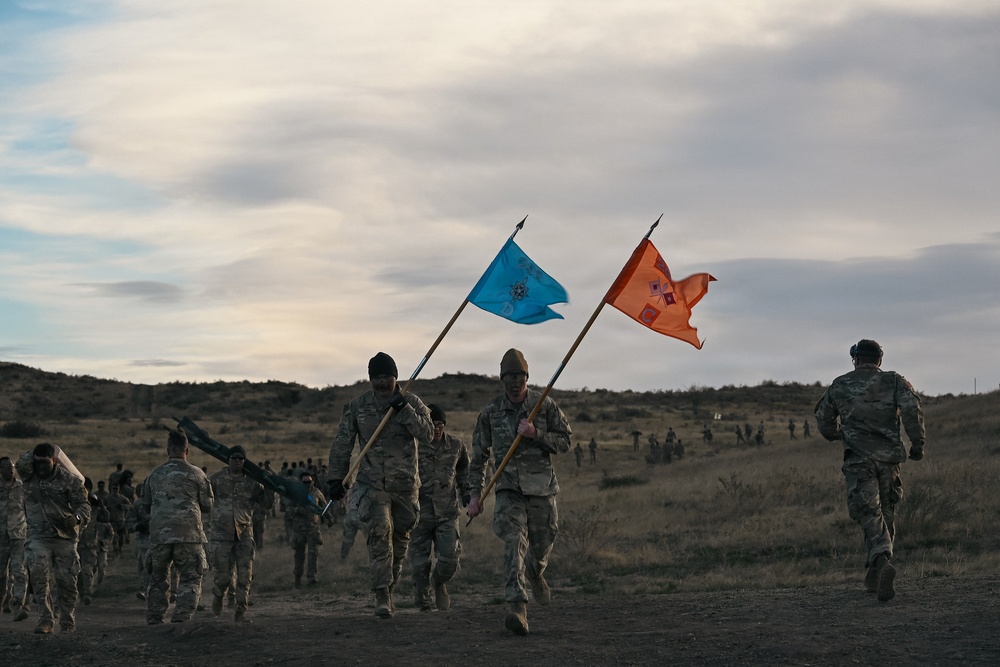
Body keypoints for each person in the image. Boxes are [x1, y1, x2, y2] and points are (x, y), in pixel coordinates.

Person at [466, 348, 572, 636]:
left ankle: (536, 573)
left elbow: (565, 442)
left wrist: (536, 435)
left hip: (541, 489)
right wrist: (474, 496)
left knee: (542, 542)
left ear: (527, 377)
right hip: (508, 489)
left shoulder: (544, 406)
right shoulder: (490, 414)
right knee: (514, 542)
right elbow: (478, 458)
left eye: (520, 376)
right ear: (502, 379)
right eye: (510, 376)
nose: (515, 381)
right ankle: (517, 608)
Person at [815, 339, 925, 602]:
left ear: (856, 359)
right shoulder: (894, 381)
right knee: (886, 511)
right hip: (889, 459)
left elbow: (823, 418)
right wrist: (917, 442)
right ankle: (877, 573)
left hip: (859, 459)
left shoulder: (841, 384)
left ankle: (880, 558)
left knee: (868, 511)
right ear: (879, 360)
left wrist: (838, 434)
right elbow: (911, 407)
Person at [327, 352, 435, 618]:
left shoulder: (411, 401)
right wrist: (335, 478)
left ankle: (389, 586)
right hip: (371, 484)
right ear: (370, 379)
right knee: (380, 536)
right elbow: (342, 445)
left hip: (405, 486)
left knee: (399, 543)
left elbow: (429, 434)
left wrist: (404, 410)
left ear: (396, 377)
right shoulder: (358, 407)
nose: (382, 383)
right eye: (376, 378)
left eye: (386, 377)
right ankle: (381, 595)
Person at [16, 443, 91, 634]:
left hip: (64, 537)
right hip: (38, 536)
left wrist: (77, 518)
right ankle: (45, 619)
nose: (41, 467)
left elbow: (84, 504)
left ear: (55, 461)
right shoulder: (28, 475)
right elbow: (18, 463)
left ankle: (67, 620)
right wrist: (31, 457)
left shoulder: (69, 480)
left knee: (67, 582)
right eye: (37, 462)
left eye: (45, 462)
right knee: (39, 576)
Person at [140, 427, 213, 624]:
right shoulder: (198, 475)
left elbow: (145, 504)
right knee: (190, 577)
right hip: (189, 536)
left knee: (157, 578)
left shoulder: (154, 475)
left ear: (167, 450)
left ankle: (155, 618)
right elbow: (207, 505)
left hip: (160, 536)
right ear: (187, 450)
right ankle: (181, 617)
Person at [409, 403, 471, 612]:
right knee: (419, 564)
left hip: (447, 512)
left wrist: (467, 491)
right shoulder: (413, 446)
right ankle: (423, 603)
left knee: (450, 558)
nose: (436, 429)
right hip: (420, 513)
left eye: (440, 424)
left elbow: (464, 468)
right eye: (433, 424)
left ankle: (437, 583)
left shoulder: (456, 445)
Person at [208, 445, 274, 622]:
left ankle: (240, 611)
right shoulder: (216, 480)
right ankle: (218, 595)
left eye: (240, 458)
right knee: (223, 577)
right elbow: (204, 501)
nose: (237, 461)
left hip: (244, 533)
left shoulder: (252, 483)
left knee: (245, 574)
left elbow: (267, 504)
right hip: (221, 535)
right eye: (234, 458)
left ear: (245, 461)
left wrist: (270, 486)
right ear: (228, 460)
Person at [0, 456, 30, 622]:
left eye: (11, 466)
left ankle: (18, 606)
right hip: (0, 538)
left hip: (19, 535)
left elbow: (29, 509)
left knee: (19, 571)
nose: (9, 469)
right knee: (1, 575)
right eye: (5, 467)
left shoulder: (21, 487)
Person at [287, 470, 327, 588]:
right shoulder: (295, 493)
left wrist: (327, 516)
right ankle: (297, 578)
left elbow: (324, 506)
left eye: (309, 482)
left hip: (313, 528)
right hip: (299, 529)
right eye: (305, 482)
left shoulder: (316, 492)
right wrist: (298, 510)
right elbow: (288, 510)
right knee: (299, 554)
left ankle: (312, 579)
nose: (307, 484)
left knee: (313, 553)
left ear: (313, 481)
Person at [78, 498, 114, 605]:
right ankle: (82, 594)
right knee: (77, 573)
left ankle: (87, 594)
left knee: (88, 569)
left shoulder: (96, 512)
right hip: (77, 545)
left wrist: (102, 506)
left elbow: (106, 518)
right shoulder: (76, 509)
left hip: (90, 547)